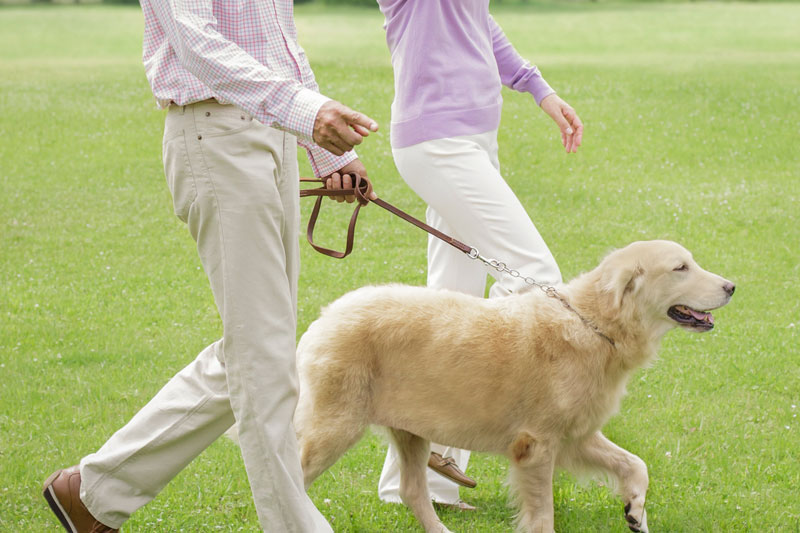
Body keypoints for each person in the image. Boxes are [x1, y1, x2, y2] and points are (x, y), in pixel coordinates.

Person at [41, 1, 377, 532]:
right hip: (215, 134)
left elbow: (280, 46)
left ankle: (92, 492)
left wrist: (326, 152)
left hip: (274, 135)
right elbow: (196, 44)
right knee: (262, 357)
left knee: (253, 350)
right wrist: (305, 112)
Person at [375, 0, 583, 510]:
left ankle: (423, 481)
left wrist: (539, 88)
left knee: (452, 298)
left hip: (472, 138)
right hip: (437, 141)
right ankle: (448, 429)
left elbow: (477, 22)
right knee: (534, 278)